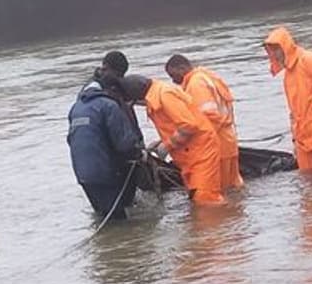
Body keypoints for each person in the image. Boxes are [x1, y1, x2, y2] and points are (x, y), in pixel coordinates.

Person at [122, 74, 226, 207]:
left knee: (205, 199)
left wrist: (167, 145)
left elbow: (188, 126)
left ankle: (224, 218)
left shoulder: (165, 95)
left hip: (201, 152)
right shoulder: (158, 92)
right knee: (196, 197)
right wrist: (161, 141)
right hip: (190, 154)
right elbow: (178, 123)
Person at [263, 27, 312, 174]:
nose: (274, 54)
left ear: (285, 47)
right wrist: (295, 139)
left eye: (276, 49)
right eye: (271, 51)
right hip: (303, 137)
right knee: (308, 178)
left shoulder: (310, 60)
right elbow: (293, 111)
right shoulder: (288, 75)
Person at [67, 67, 144, 220]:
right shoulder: (108, 105)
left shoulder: (76, 107)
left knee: (103, 216)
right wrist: (139, 153)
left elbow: (71, 140)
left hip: (83, 174)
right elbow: (124, 144)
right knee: (119, 221)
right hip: (105, 174)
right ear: (112, 90)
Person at [166, 54, 244, 191]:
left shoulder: (196, 85)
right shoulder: (207, 76)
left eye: (173, 75)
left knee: (219, 190)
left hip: (216, 146)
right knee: (234, 187)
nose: (173, 81)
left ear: (182, 68)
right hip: (228, 142)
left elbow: (208, 118)